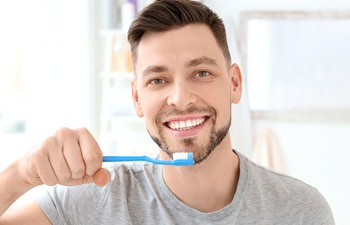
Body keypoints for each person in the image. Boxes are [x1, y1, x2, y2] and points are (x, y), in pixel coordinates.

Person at [0, 0, 334, 224]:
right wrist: (21, 175)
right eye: (158, 80)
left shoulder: (300, 211)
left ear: (234, 83)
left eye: (201, 73)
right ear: (136, 98)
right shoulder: (95, 200)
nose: (180, 98)